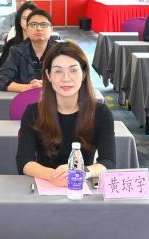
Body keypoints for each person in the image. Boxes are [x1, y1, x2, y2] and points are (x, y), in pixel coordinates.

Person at [17, 41, 115, 183]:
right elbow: (24, 161)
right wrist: (53, 175)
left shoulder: (101, 113)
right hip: (45, 184)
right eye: (58, 71)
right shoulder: (33, 112)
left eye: (73, 70)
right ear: (48, 75)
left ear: (84, 74)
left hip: (82, 183)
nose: (66, 78)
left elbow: (108, 162)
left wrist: (82, 172)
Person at [0, 7, 55, 93]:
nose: (39, 28)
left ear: (51, 29)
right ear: (27, 30)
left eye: (44, 24)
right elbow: (2, 80)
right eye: (33, 24)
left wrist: (48, 85)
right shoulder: (16, 51)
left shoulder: (60, 51)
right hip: (24, 98)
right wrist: (29, 87)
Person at [0, 2, 37, 68]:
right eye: (25, 18)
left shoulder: (43, 43)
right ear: (19, 21)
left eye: (31, 18)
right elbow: (1, 64)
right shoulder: (11, 43)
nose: (28, 21)